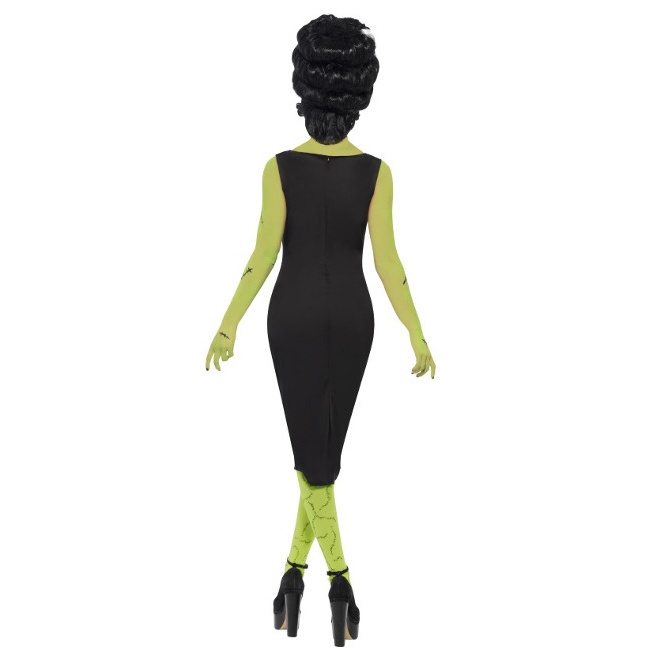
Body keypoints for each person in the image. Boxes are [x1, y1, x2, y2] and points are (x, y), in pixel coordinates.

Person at [205, 14, 435, 647]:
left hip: (292, 318)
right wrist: (415, 331)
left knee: (315, 459)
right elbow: (388, 264)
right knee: (321, 455)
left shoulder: (278, 168)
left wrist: (228, 324)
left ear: (306, 87)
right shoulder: (378, 173)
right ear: (359, 90)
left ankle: (326, 581)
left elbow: (262, 255)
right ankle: (311, 579)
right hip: (355, 320)